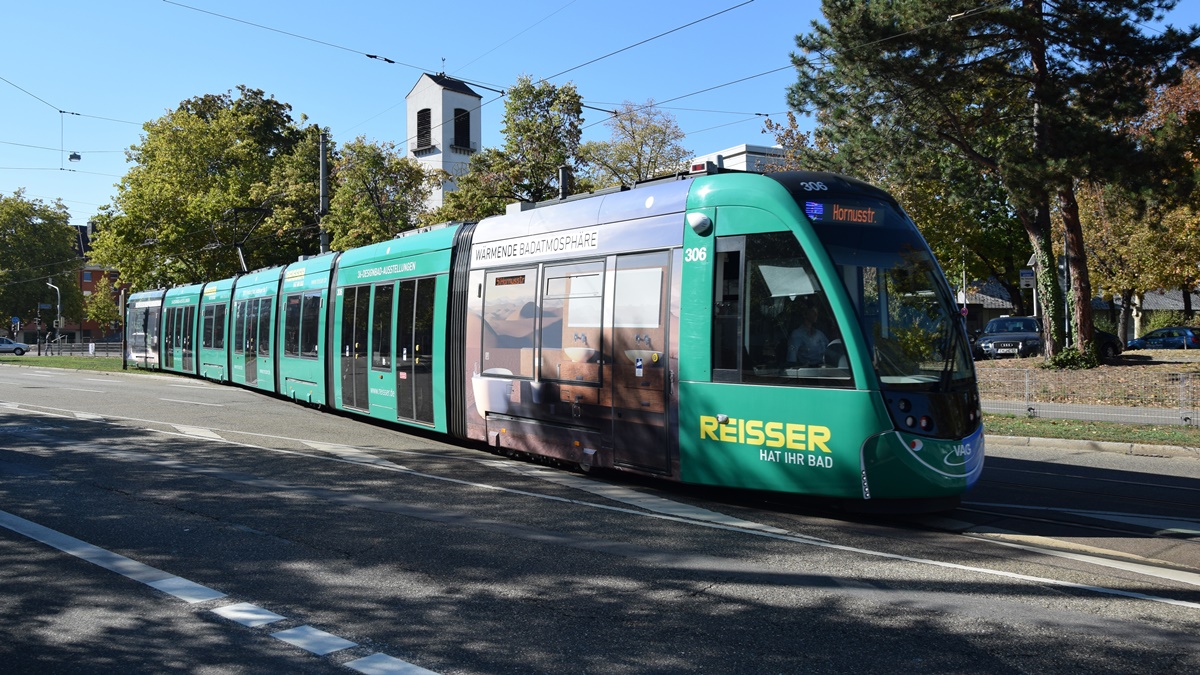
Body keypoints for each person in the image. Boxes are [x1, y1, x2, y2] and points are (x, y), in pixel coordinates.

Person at [787, 302, 828, 366]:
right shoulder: (797, 335)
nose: (816, 313)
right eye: (812, 310)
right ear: (805, 313)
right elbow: (792, 359)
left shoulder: (820, 334)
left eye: (816, 311)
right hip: (807, 371)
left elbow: (829, 350)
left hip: (825, 369)